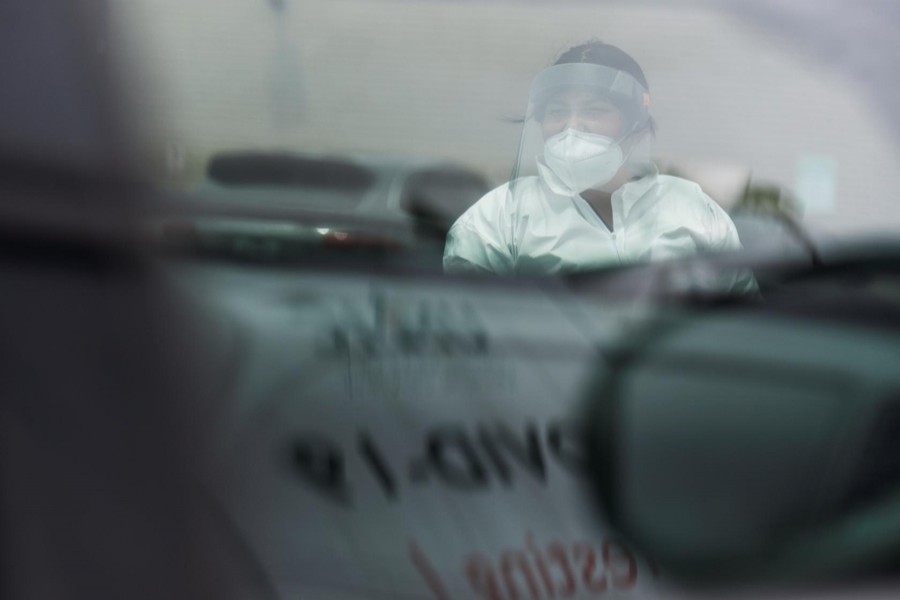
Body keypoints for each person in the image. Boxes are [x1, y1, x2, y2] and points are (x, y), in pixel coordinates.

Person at [443, 41, 750, 284]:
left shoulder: (695, 211)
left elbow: (742, 328)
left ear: (636, 129)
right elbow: (464, 328)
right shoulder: (500, 218)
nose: (572, 126)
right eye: (557, 111)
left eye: (594, 110)